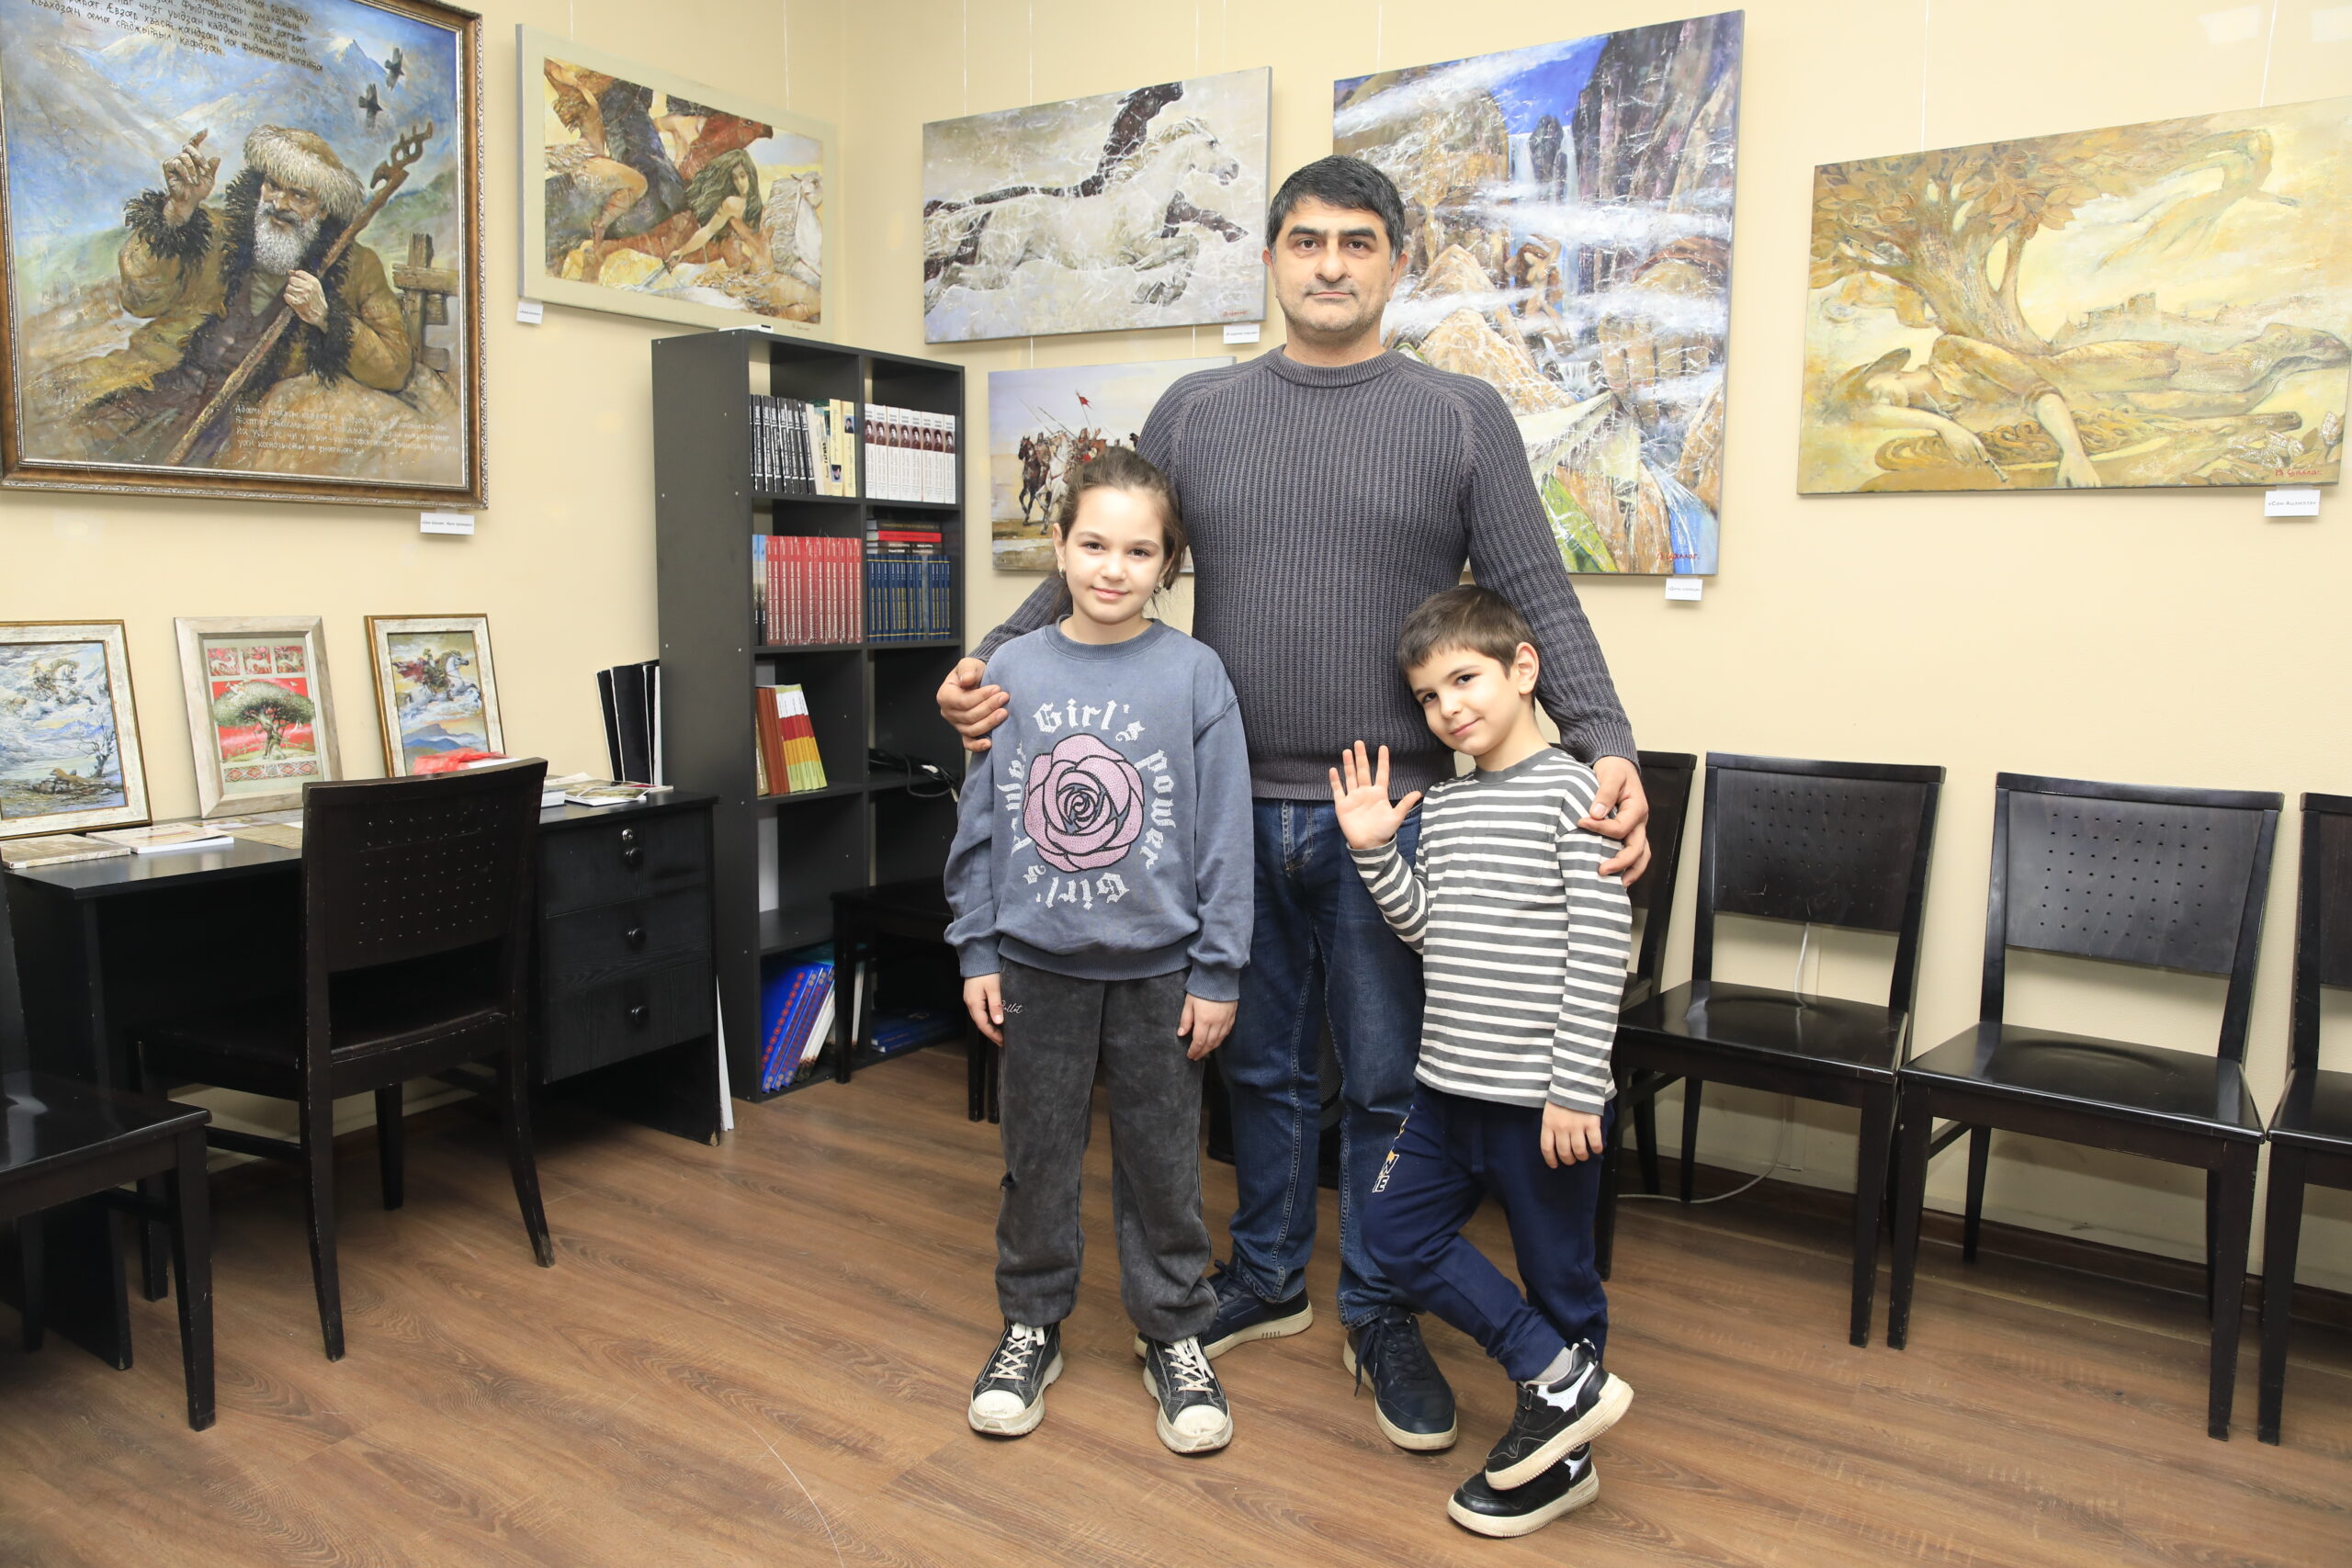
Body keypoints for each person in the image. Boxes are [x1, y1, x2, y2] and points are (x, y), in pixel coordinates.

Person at [938, 154, 1647, 1452]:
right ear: (1269, 258)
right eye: (1306, 240)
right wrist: (992, 661)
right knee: (1255, 1068)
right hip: (1222, 815)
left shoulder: (1459, 416)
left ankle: (1378, 1308)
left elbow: (1536, 590)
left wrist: (1605, 739)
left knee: (1384, 1084)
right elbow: (1106, 550)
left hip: (1395, 818)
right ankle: (1266, 1274)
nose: (1330, 263)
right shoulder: (1201, 410)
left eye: (1357, 241)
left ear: (1396, 263)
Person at [945, 446, 1253, 1455]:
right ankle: (1031, 1323)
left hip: (1162, 972)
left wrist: (1218, 969)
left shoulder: (1195, 674)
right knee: (1035, 1160)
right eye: (1093, 545)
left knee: (1164, 1166)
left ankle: (1173, 1331)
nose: (1112, 568)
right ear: (1059, 546)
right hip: (1035, 966)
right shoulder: (1012, 670)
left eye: (1138, 551)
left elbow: (1223, 836)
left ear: (1168, 563)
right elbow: (980, 823)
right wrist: (976, 948)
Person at [1333, 585, 1633, 1538]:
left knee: (1560, 1280)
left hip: (1545, 1102)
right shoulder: (1450, 806)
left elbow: (1602, 948)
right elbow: (1432, 931)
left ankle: (1563, 1461)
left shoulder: (1576, 792)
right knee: (1391, 1232)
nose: (1448, 707)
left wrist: (1574, 1086)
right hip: (1445, 1089)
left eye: (1464, 679)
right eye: (1428, 696)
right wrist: (1376, 854)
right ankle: (1556, 1377)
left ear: (1523, 668)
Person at [45, 126, 413, 465]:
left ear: (324, 208)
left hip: (244, 419)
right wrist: (175, 214)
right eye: (273, 186)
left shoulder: (358, 267)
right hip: (160, 385)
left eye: (299, 195)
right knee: (72, 442)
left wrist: (326, 316)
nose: (279, 203)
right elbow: (138, 300)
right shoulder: (213, 230)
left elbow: (395, 369)